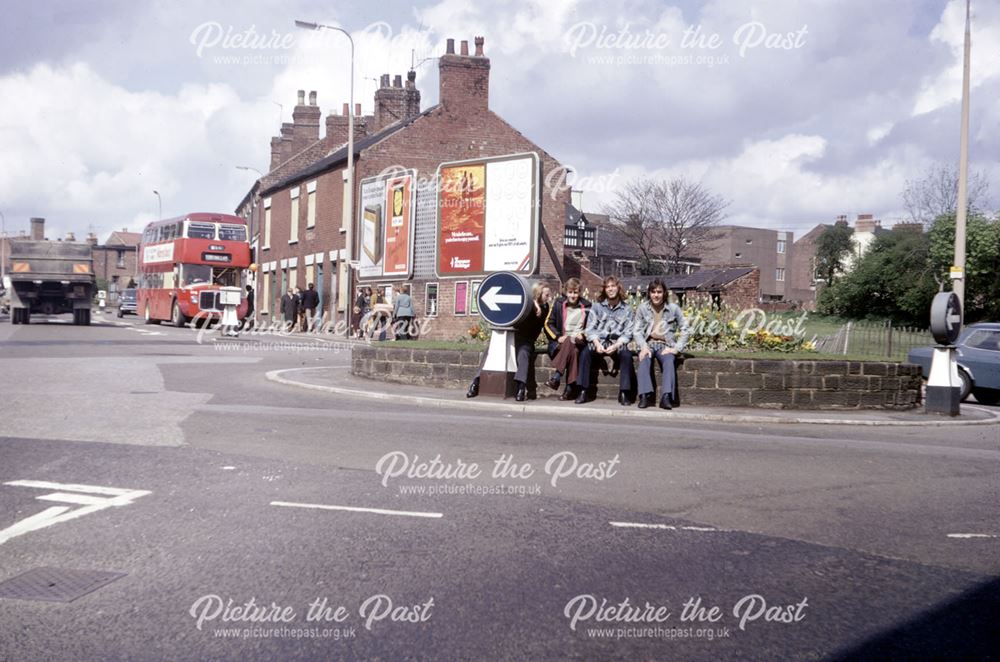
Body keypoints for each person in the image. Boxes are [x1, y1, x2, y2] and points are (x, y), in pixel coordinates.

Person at [467, 281, 551, 401]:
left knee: (524, 355)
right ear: (538, 294)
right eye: (546, 295)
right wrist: (533, 303)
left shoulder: (545, 308)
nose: (549, 298)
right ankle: (476, 382)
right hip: (512, 336)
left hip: (526, 340)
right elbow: (522, 302)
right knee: (489, 352)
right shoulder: (527, 304)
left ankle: (521, 387)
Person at [633, 279, 690, 410]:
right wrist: (643, 346)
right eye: (653, 292)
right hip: (648, 343)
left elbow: (685, 329)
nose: (656, 295)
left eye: (659, 292)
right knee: (644, 359)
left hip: (665, 344)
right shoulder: (643, 308)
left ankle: (666, 397)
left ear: (664, 293)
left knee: (669, 361)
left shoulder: (673, 309)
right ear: (649, 293)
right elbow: (636, 331)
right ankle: (644, 396)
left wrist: (676, 349)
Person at [578, 276, 636, 405]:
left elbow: (628, 333)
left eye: (613, 286)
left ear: (618, 288)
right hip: (600, 341)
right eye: (607, 287)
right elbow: (590, 329)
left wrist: (616, 346)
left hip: (617, 343)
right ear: (605, 290)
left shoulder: (626, 309)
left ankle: (624, 392)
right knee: (585, 353)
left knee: (626, 355)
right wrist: (597, 343)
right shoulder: (597, 307)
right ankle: (583, 390)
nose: (610, 289)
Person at [542, 278, 591, 401]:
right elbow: (548, 323)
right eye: (570, 292)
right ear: (566, 292)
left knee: (572, 340)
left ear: (579, 293)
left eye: (575, 292)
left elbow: (593, 326)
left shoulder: (587, 306)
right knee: (573, 351)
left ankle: (556, 377)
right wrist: (558, 337)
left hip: (580, 340)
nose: (573, 295)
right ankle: (569, 389)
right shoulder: (558, 304)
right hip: (562, 342)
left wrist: (584, 334)